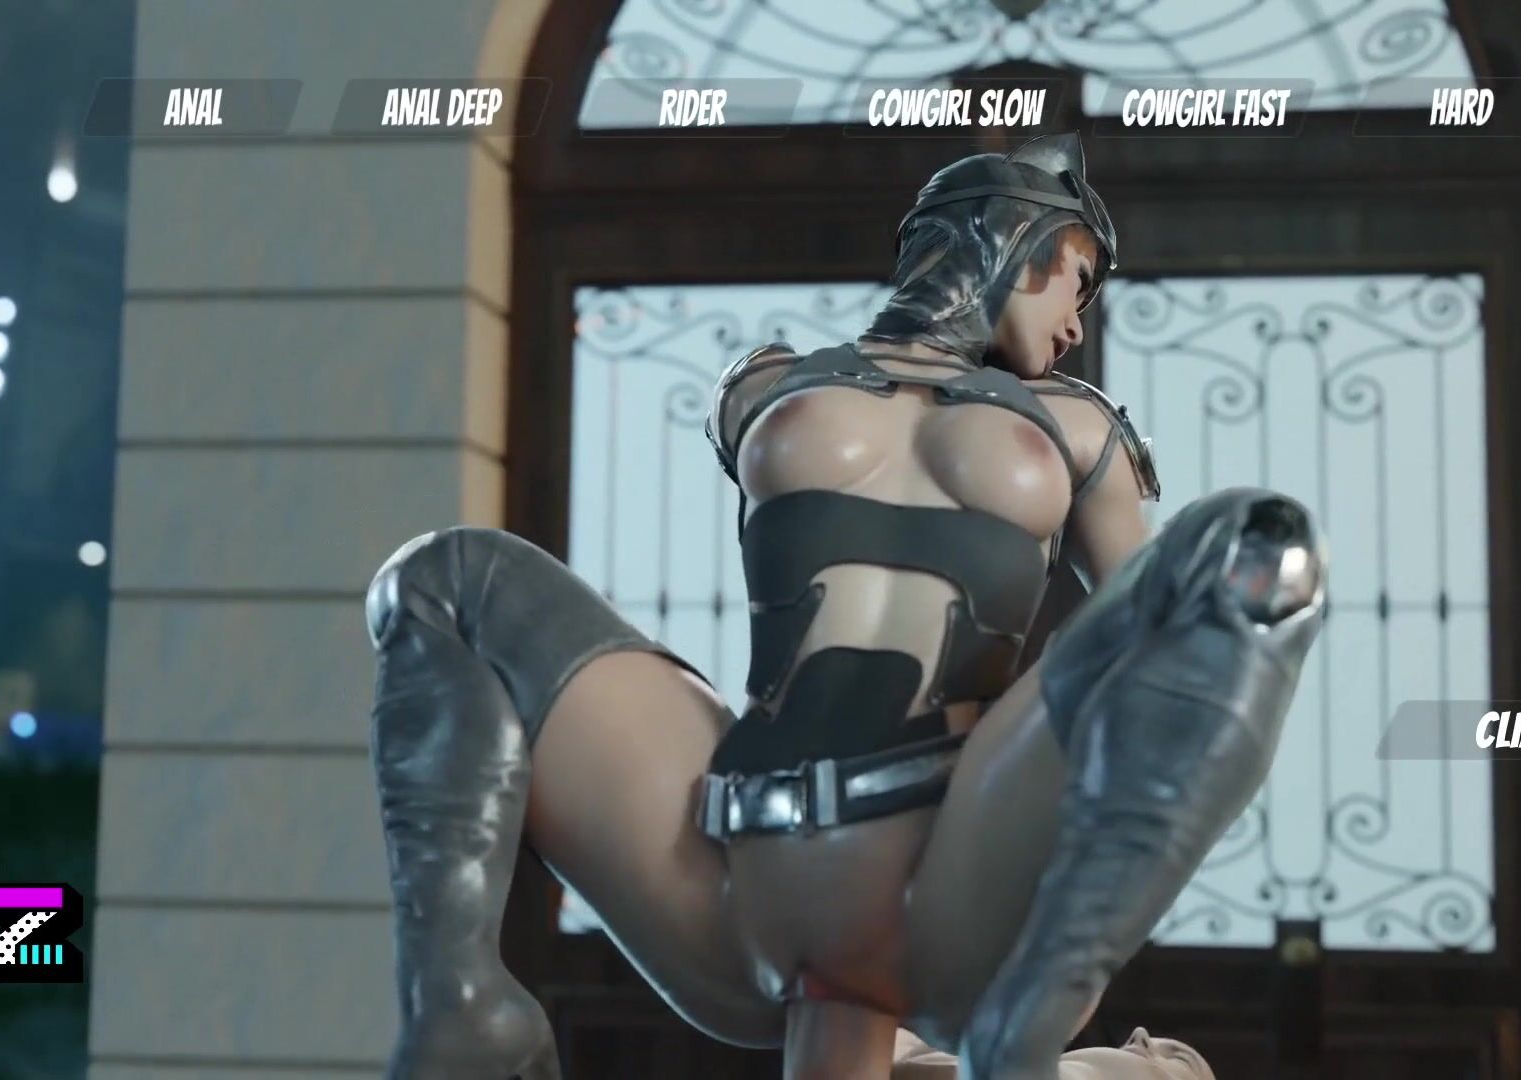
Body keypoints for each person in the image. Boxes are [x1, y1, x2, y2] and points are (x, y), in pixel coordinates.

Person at [365, 132, 1326, 1080]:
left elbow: (1152, 654)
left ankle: (1028, 1035)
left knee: (1250, 547)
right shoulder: (764, 385)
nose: (1077, 325)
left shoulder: (1083, 429)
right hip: (739, 865)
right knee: (447, 581)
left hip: (951, 876)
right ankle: (460, 1002)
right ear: (1018, 239)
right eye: (1077, 282)